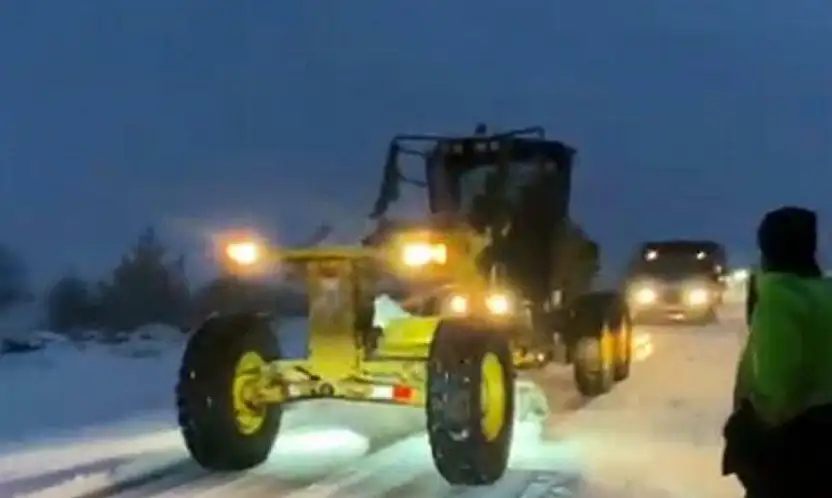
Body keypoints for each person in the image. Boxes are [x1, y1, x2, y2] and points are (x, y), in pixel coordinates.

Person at [723, 206, 832, 497]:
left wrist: (745, 432)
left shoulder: (779, 300)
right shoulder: (824, 293)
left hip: (795, 450)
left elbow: (778, 390)